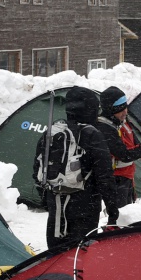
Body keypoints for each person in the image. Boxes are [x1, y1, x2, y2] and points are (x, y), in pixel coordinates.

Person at [39, 86, 114, 249]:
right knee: (80, 258)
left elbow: (39, 169)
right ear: (91, 109)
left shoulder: (53, 132)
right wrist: (112, 209)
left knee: (55, 257)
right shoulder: (92, 134)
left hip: (56, 209)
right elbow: (105, 176)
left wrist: (47, 199)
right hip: (85, 207)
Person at [96, 85, 141, 224]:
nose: (125, 112)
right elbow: (125, 155)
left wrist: (140, 146)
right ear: (111, 110)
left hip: (126, 176)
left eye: (125, 107)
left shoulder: (119, 120)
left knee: (128, 214)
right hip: (116, 179)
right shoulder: (105, 128)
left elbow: (132, 136)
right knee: (120, 217)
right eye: (120, 109)